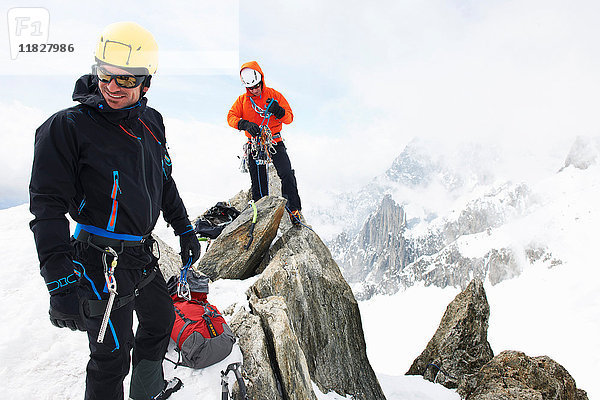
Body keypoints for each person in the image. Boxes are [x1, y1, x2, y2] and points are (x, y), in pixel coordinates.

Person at [29, 22, 200, 400]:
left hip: (140, 254)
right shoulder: (67, 127)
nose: (111, 87)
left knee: (160, 321)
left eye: (125, 80)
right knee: (110, 359)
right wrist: (59, 282)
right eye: (104, 75)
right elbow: (47, 209)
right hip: (98, 259)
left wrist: (184, 229)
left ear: (146, 83)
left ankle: (148, 391)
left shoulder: (151, 123)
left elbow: (163, 181)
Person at [227, 61, 305, 225]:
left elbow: (289, 118)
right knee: (258, 181)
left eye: (257, 86)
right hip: (255, 144)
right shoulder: (242, 101)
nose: (255, 90)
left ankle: (294, 210)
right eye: (251, 88)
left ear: (261, 80)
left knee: (287, 173)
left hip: (274, 140)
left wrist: (279, 111)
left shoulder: (274, 95)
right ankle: (261, 213)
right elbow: (231, 117)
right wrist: (244, 124)